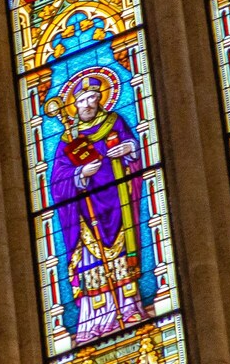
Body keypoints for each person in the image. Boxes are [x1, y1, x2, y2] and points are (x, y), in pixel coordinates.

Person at [45, 69, 154, 343]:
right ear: (75, 104)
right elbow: (57, 180)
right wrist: (80, 175)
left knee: (120, 259)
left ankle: (128, 309)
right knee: (90, 264)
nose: (88, 104)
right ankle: (96, 320)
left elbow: (134, 149)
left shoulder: (115, 122)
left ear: (102, 98)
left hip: (118, 203)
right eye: (82, 100)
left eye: (93, 97)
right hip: (86, 211)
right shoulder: (68, 140)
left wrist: (128, 149)